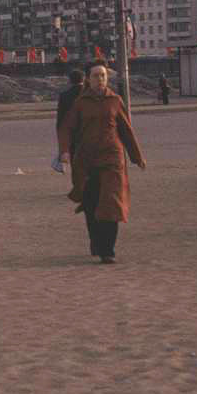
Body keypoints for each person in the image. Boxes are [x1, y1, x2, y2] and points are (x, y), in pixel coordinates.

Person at [58, 59, 147, 264]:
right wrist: (64, 152)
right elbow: (66, 129)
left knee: (111, 205)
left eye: (104, 76)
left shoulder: (115, 101)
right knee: (91, 205)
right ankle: (96, 242)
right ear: (88, 80)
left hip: (112, 161)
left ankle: (108, 250)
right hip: (87, 163)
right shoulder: (80, 104)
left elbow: (126, 130)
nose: (101, 79)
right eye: (96, 76)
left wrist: (137, 156)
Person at [52, 69, 86, 173]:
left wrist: (62, 145)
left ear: (70, 81)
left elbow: (61, 119)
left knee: (76, 166)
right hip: (88, 132)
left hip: (72, 135)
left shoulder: (64, 96)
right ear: (84, 79)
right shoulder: (89, 93)